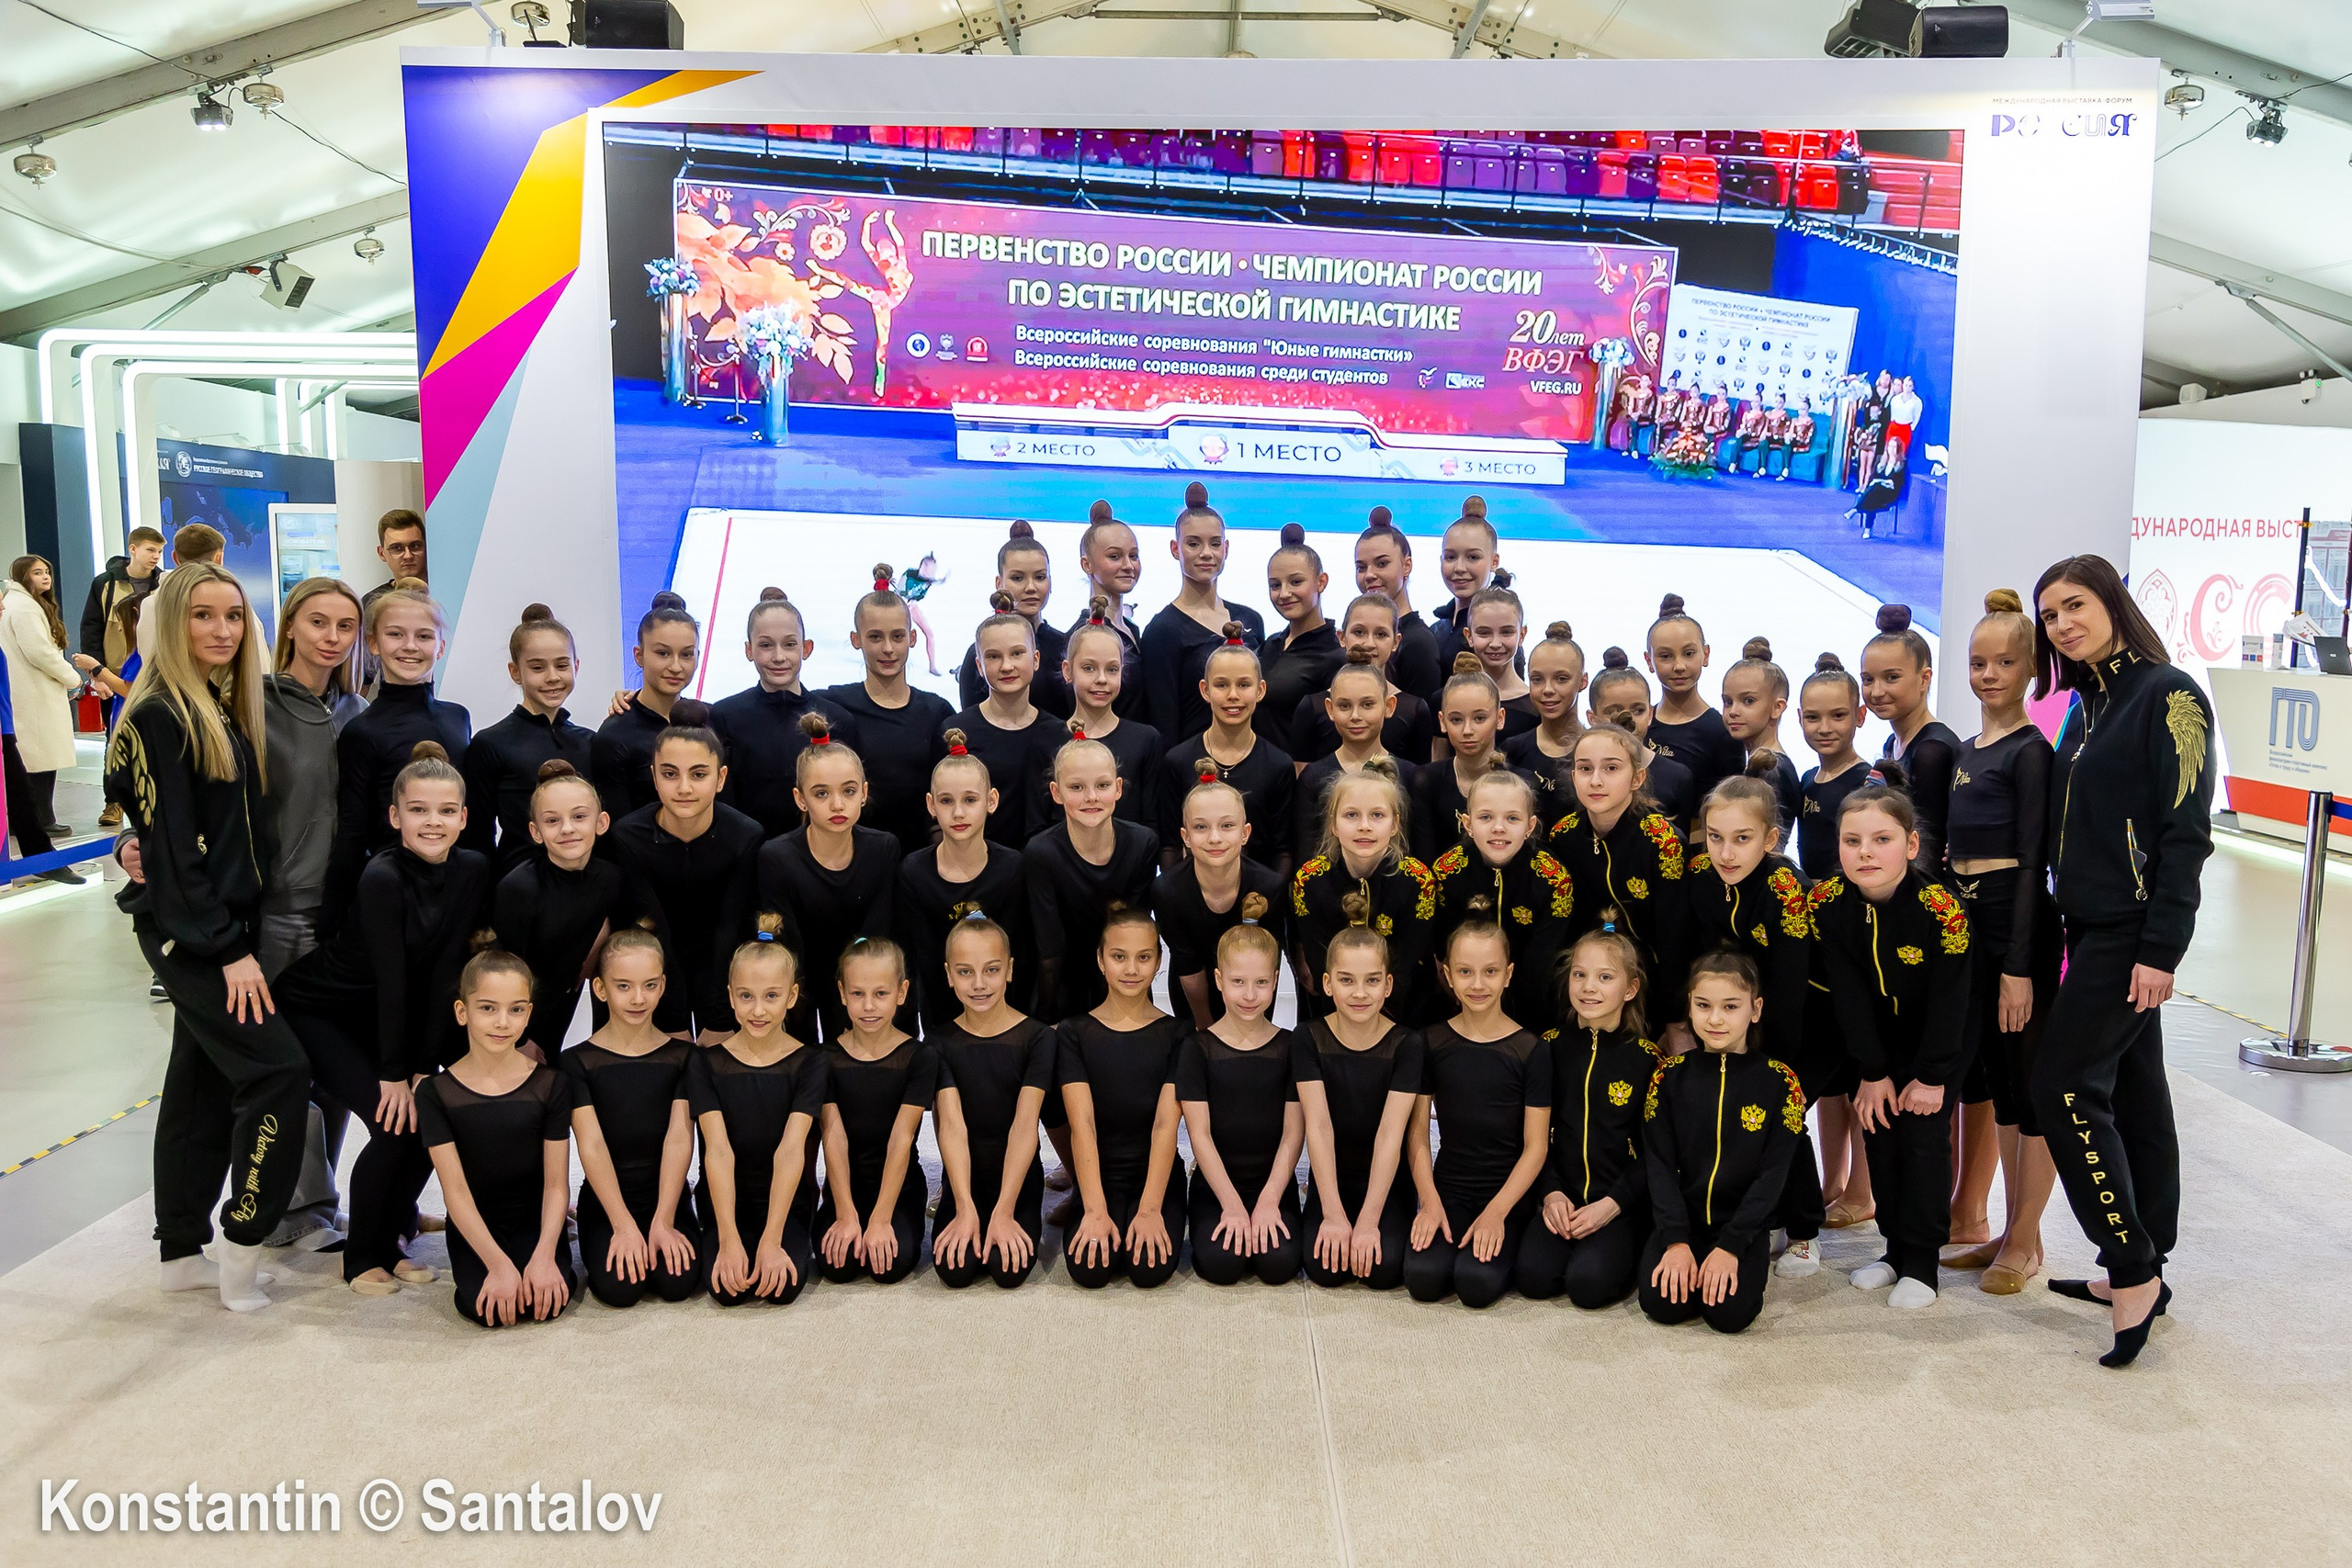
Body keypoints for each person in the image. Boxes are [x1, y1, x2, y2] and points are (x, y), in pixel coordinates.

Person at [104, 562, 311, 1310]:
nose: (222, 630)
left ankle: (179, 1251)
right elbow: (170, 847)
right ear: (170, 622)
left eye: (233, 615)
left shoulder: (215, 705)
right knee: (278, 1071)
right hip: (194, 933)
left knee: (198, 1085)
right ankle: (243, 1241)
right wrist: (227, 948)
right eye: (202, 615)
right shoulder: (160, 715)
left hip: (220, 923)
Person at [2031, 553, 2212, 1368]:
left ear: (2111, 602)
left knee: (2063, 1085)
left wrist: (2161, 948)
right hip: (2086, 926)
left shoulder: (2168, 695)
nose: (2062, 624)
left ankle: (2130, 1265)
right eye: (2050, 615)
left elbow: (2186, 833)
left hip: (2130, 932)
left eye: (2075, 605)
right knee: (2136, 1092)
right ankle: (2151, 1260)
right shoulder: (2086, 704)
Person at [278, 740, 490, 1294]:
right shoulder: (383, 876)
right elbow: (393, 978)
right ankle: (361, 1258)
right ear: (395, 817)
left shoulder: (471, 869)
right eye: (418, 810)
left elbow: (445, 972)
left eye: (446, 810)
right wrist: (396, 1073)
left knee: (427, 1119)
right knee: (394, 1124)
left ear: (464, 818)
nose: (433, 822)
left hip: (378, 1014)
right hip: (319, 1010)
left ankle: (396, 1236)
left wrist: (423, 1066)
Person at [1812, 781, 1971, 1310]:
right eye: (1852, 841)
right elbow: (1848, 993)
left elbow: (1952, 1001)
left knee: (1922, 1140)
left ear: (1911, 844)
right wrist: (1872, 1071)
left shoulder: (1941, 909)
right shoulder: (1828, 903)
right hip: (1877, 1042)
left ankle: (1922, 1261)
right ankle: (1895, 1250)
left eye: (1881, 840)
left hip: (1938, 1041)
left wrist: (1932, 1076)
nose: (1866, 853)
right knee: (1879, 1132)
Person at [1943, 588, 2061, 1294]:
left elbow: (2032, 866)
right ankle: (2007, 1229)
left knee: (2027, 1085)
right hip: (1970, 925)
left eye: (2005, 662)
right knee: (1993, 1083)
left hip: (2015, 927)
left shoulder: (2031, 752)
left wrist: (2018, 967)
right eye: (1978, 662)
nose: (1989, 674)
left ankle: (2026, 1238)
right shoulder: (1966, 751)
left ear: (2032, 669)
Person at [255, 576, 368, 1246]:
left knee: (339, 1069)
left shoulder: (359, 710)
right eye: (318, 622)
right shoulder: (253, 705)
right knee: (288, 1068)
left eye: (345, 626)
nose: (331, 637)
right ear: (292, 624)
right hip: (281, 913)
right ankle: (287, 1214)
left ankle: (318, 1202)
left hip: (348, 917)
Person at [1684, 761, 1826, 1277]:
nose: (1726, 853)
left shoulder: (1785, 887)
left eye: (1741, 839)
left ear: (1769, 839)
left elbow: (1791, 985)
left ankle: (1805, 1231)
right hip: (1743, 1014)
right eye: (1715, 838)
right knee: (1741, 1117)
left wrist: (1773, 1065)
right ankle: (1767, 1217)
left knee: (1783, 1116)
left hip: (1808, 1022)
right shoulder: (1701, 875)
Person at [1637, 951, 1804, 1334]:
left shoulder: (1781, 1083)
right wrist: (1676, 1242)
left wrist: (1731, 1246)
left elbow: (1772, 1177)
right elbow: (1659, 1165)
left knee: (1729, 1315)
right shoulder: (1668, 1077)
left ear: (1755, 1009)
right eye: (1703, 1005)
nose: (1715, 1019)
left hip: (1741, 1228)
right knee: (1662, 1304)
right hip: (1683, 1222)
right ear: (1690, 1007)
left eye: (1730, 1007)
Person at [414, 949, 576, 1327]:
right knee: (487, 1310)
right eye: (488, 1008)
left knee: (544, 1303)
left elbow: (556, 1185)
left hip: (534, 1221)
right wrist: (498, 1265)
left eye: (515, 1010)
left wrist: (544, 1255)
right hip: (476, 1225)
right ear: (462, 1012)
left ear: (529, 1014)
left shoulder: (551, 1084)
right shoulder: (436, 1093)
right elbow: (455, 1192)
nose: (503, 1022)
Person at [1403, 916, 1552, 1308]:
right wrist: (1429, 1201)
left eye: (1490, 972)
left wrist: (1497, 1212)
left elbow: (1536, 1147)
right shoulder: (1431, 1042)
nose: (1478, 984)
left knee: (1475, 1284)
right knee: (1423, 1279)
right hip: (1449, 1189)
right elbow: (1417, 1134)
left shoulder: (1532, 1051)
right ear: (1448, 976)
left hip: (1507, 1195)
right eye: (1465, 972)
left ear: (1508, 975)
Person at [1516, 922, 1658, 1307]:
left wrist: (1611, 1205)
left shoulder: (1648, 1061)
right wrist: (1551, 1194)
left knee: (1588, 1286)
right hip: (1561, 1197)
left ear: (1630, 989)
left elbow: (1655, 1152)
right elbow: (1534, 1137)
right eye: (1579, 975)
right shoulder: (1547, 1048)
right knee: (1533, 1278)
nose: (1588, 987)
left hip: (1617, 1204)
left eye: (1605, 977)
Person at [560, 937, 702, 1308]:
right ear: (600, 989)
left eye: (649, 985)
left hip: (666, 1195)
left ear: (663, 985)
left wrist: (664, 1220)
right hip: (607, 1201)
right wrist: (622, 1225)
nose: (638, 998)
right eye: (624, 986)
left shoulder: (684, 1057)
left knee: (677, 1283)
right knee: (620, 1289)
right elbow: (591, 1144)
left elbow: (679, 1138)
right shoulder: (576, 1062)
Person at [692, 921, 826, 1305]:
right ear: (731, 997)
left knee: (781, 1289)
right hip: (726, 1204)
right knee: (726, 1291)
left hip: (785, 1204)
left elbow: (791, 1150)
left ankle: (779, 1235)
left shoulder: (810, 1062)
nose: (758, 1010)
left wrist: (771, 1239)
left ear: (792, 996)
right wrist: (728, 1238)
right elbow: (718, 1151)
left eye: (771, 996)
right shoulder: (705, 1063)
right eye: (746, 996)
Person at [1057, 906, 1190, 1290]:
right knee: (1090, 1270)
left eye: (1143, 957)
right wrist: (1094, 1209)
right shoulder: (1074, 1033)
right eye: (1119, 957)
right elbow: (1082, 1124)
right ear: (1100, 960)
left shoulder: (1179, 1034)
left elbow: (1165, 1125)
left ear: (1159, 961)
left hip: (1155, 1176)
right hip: (1099, 1175)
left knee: (1148, 1270)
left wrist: (1150, 1210)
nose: (1131, 969)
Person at [323, 580, 470, 928]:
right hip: (394, 899)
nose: (410, 646)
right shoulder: (362, 731)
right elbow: (353, 832)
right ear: (373, 643)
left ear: (441, 646)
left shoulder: (458, 717)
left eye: (424, 636)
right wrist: (332, 925)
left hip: (459, 894)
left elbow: (472, 818)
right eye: (395, 634)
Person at [491, 761, 659, 1057]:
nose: (567, 829)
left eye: (579, 817)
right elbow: (503, 973)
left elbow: (621, 936)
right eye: (552, 821)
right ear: (536, 831)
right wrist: (520, 1038)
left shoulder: (612, 878)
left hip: (563, 1001)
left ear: (601, 822)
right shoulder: (519, 889)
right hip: (516, 1018)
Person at [606, 727, 763, 1041]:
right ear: (654, 777)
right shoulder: (627, 837)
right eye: (670, 774)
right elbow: (652, 926)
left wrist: (719, 1019)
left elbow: (729, 927)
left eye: (698, 774)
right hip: (652, 969)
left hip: (720, 966)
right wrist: (670, 1017)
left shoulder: (745, 836)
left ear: (721, 778)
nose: (684, 788)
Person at [1178, 905, 1305, 1286]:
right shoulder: (1197, 1048)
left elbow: (1293, 1133)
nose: (1250, 995)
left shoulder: (1291, 1046)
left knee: (1279, 1265)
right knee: (1222, 1265)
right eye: (1238, 982)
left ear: (1276, 980)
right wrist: (1231, 1205)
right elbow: (1199, 1134)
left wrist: (1270, 1200)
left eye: (1261, 982)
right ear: (1218, 980)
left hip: (1273, 1183)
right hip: (1216, 1185)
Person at [753, 715, 901, 1042]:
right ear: (800, 798)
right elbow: (787, 949)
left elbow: (875, 934)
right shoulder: (776, 858)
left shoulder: (883, 849)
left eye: (848, 791)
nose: (837, 805)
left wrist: (852, 1000)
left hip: (861, 982)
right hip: (798, 983)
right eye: (821, 794)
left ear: (863, 793)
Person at [928, 915, 1057, 1289]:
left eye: (992, 970)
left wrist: (1004, 1210)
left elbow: (1025, 1125)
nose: (979, 984)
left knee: (1008, 1271)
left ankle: (1008, 1209)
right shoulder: (938, 1043)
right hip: (963, 1180)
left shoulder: (1038, 1038)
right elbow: (951, 1126)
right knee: (954, 1271)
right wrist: (964, 1206)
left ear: (1010, 970)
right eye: (965, 972)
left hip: (1017, 1180)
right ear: (949, 975)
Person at [1294, 921, 1422, 1291]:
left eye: (1372, 980)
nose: (1360, 993)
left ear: (1388, 985)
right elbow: (1318, 1128)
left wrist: (1368, 1219)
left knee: (1383, 1271)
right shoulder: (1308, 1038)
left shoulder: (1407, 1045)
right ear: (1327, 983)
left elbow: (1390, 1134)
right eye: (1347, 980)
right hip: (1332, 1178)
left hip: (1387, 1181)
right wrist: (1333, 1213)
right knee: (1325, 1270)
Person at [816, 940, 935, 1285]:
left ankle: (891, 1216)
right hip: (845, 1189)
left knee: (889, 1267)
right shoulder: (823, 1059)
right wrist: (845, 1213)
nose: (869, 1006)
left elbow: (902, 1137)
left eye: (881, 994)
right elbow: (833, 1137)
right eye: (858, 994)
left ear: (902, 992)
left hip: (900, 1189)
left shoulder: (919, 1057)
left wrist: (881, 1219)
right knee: (838, 1267)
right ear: (842, 993)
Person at [894, 735, 1033, 1032]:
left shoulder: (1012, 868)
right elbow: (922, 960)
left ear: (991, 800)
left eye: (970, 800)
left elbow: (1017, 954)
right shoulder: (914, 872)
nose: (958, 813)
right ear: (931, 804)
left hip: (1005, 1014)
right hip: (942, 1017)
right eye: (947, 801)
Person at [1027, 727, 1159, 1021]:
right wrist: (1047, 1023)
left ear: (1118, 788)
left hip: (1124, 980)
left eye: (1102, 785)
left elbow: (1135, 934)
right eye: (1076, 787)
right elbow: (1050, 951)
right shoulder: (1041, 853)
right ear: (1056, 792)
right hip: (1063, 986)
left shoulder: (1143, 844)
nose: (1091, 797)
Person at [824, 567, 957, 857]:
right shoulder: (833, 707)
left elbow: (949, 800)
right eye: (875, 637)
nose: (888, 649)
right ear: (856, 639)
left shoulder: (937, 713)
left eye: (897, 637)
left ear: (912, 638)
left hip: (920, 861)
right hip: (850, 862)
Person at [1548, 721, 1691, 990]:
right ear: (1573, 776)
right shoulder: (1563, 835)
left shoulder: (1664, 843)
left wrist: (1671, 1008)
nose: (1596, 781)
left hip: (1648, 980)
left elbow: (1674, 938)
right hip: (1585, 980)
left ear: (1637, 778)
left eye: (1611, 768)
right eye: (1585, 769)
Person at [1290, 761, 1435, 1023]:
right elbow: (1320, 964)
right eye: (1351, 815)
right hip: (1333, 1013)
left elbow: (1406, 966)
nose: (1364, 826)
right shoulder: (1310, 880)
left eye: (1377, 815)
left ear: (1395, 824)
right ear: (1333, 824)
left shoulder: (1418, 881)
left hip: (1401, 1014)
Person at [710, 588, 859, 840]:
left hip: (821, 854)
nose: (779, 657)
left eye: (789, 644)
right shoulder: (724, 717)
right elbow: (722, 805)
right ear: (749, 650)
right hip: (748, 853)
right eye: (766, 645)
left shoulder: (837, 720)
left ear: (806, 648)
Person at [1430, 769, 1575, 1027]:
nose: (1499, 828)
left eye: (1512, 818)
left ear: (1530, 826)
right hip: (1461, 1003)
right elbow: (1444, 949)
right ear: (1468, 824)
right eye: (1486, 817)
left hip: (1531, 1009)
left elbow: (1542, 964)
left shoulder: (1553, 879)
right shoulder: (1447, 871)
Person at [465, 604, 595, 881]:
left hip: (584, 886)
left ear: (576, 666)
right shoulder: (490, 744)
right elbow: (477, 837)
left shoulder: (590, 742)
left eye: (562, 665)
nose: (552, 677)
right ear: (515, 671)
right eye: (537, 667)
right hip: (516, 887)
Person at [1153, 626, 1295, 879]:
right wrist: (1180, 893)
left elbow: (1282, 851)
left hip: (1258, 896)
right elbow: (1170, 846)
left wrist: (1269, 896)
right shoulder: (1177, 761)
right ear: (1205, 690)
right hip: (1194, 893)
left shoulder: (1278, 765)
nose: (1233, 695)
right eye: (1221, 685)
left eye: (1243, 685)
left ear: (1260, 690)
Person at [932, 592, 1065, 849]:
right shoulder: (955, 732)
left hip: (1043, 865)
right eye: (993, 656)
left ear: (1036, 659)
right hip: (975, 866)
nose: (1006, 666)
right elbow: (938, 818)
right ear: (979, 666)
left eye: (1017, 653)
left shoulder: (1058, 734)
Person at [1154, 773, 1287, 1026]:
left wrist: (1254, 1022)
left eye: (1227, 826)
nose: (1215, 838)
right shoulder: (1168, 891)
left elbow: (1268, 962)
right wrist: (1204, 1024)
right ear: (1185, 836)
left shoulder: (1270, 887)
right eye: (1201, 827)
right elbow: (1188, 964)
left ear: (1245, 832)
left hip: (1252, 993)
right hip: (1193, 996)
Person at [1140, 483, 1265, 741]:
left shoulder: (1251, 619)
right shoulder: (1162, 631)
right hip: (1193, 760)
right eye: (1194, 544)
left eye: (1215, 544)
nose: (1206, 553)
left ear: (1226, 548)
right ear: (1175, 549)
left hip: (1251, 757)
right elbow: (1163, 723)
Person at [1860, 604, 1961, 881]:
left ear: (1924, 679)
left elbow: (1928, 847)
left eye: (1891, 678)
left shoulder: (1932, 751)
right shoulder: (1892, 743)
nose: (1876, 691)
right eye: (1868, 679)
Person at [590, 592, 710, 818]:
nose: (676, 667)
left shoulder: (712, 720)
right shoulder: (614, 736)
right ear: (639, 655)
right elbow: (616, 827)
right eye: (663, 653)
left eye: (686, 654)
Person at [1294, 648, 1420, 859]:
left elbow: (1419, 855)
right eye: (1344, 706)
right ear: (1330, 709)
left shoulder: (1412, 777)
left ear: (1389, 706)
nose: (1355, 716)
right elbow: (1305, 856)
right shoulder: (1313, 777)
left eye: (1367, 705)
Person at [1288, 593, 1437, 765]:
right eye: (1359, 632)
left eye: (1381, 634)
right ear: (1341, 637)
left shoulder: (1414, 710)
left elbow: (1420, 776)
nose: (1369, 643)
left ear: (1396, 642)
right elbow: (1302, 775)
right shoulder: (1311, 707)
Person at [1409, 654, 1526, 863]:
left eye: (1479, 718)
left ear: (1500, 718)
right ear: (1442, 722)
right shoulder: (1426, 781)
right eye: (1456, 720)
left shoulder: (1522, 784)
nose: (1467, 730)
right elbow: (1424, 861)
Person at [1061, 597, 1163, 826]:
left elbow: (1151, 823)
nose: (1101, 679)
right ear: (1068, 671)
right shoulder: (1047, 739)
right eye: (1089, 668)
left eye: (1112, 669)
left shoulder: (1146, 740)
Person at [3, 555, 83, 840]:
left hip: (30, 691)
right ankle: (41, 819)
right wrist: (72, 677)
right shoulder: (25, 607)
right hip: (36, 693)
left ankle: (29, 819)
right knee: (40, 760)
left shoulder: (18, 603)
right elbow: (39, 652)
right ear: (23, 576)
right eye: (37, 573)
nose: (46, 576)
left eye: (46, 571)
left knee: (33, 760)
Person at [957, 521, 1071, 719]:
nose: (1031, 587)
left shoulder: (1066, 646)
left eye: (1040, 577)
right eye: (1018, 578)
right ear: (999, 583)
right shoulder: (980, 652)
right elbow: (972, 723)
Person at [78, 523, 164, 772]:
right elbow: (91, 629)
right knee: (115, 737)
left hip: (153, 675)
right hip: (114, 674)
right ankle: (114, 791)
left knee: (154, 740)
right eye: (150, 550)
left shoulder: (164, 584)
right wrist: (97, 676)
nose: (155, 557)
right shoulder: (105, 584)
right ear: (133, 549)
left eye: (159, 551)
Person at [1643, 594, 1744, 798]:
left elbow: (1734, 804)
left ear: (1705, 654)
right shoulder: (1641, 724)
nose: (1679, 666)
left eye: (1689, 654)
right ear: (1649, 660)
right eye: (1665, 656)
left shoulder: (1722, 732)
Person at [1587, 651, 1697, 832]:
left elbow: (1681, 842)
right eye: (1613, 711)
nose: (1627, 719)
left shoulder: (1677, 776)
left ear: (1650, 714)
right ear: (1593, 719)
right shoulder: (1583, 776)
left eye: (1638, 710)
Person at [1260, 524, 1341, 756]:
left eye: (1296, 582)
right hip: (1261, 770)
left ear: (1321, 582)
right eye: (1275, 585)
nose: (1284, 594)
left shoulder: (1335, 655)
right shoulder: (1270, 645)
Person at [1352, 507, 1442, 707]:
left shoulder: (1419, 643)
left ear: (1407, 566)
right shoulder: (1354, 635)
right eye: (1361, 567)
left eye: (1382, 564)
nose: (1369, 575)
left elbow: (1422, 718)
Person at [1504, 621, 1588, 826]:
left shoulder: (1596, 750)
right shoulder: (1512, 750)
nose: (1548, 690)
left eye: (1561, 679)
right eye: (1537, 680)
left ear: (1583, 681)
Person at [1795, 653, 1870, 881]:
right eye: (1813, 717)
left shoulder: (1866, 783)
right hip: (1810, 894)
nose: (1825, 728)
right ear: (1800, 718)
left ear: (1860, 715)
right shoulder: (1807, 779)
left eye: (1838, 716)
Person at [1716, 638, 1802, 831]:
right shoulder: (1757, 765)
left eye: (1748, 701)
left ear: (1777, 707)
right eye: (1728, 702)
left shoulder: (1774, 771)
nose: (1733, 711)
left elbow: (1771, 840)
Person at [1070, 501, 1145, 717]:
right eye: (1115, 556)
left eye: (1133, 556)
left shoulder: (1132, 629)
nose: (1128, 565)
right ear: (1087, 564)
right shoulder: (1084, 635)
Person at [357, 511, 429, 689]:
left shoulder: (449, 594)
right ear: (382, 553)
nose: (408, 555)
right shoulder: (372, 603)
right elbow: (365, 675)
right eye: (397, 548)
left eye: (415, 546)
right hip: (394, 697)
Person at [1430, 497, 1503, 671]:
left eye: (1473, 557)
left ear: (1494, 561)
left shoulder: (1501, 632)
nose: (1459, 568)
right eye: (1450, 557)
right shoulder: (1437, 629)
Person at [1461, 580, 1538, 739]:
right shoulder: (1449, 698)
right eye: (1484, 633)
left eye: (1506, 632)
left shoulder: (1536, 706)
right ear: (1469, 636)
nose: (1495, 644)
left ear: (1521, 635)